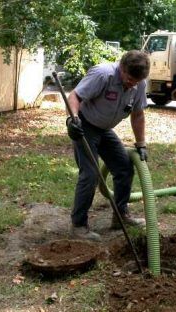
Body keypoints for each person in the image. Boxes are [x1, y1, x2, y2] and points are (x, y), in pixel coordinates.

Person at [66, 50, 150, 241]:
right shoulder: (103, 75)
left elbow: (138, 114)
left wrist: (141, 144)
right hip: (85, 126)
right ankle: (78, 225)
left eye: (136, 82)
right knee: (90, 174)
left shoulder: (139, 83)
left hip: (105, 129)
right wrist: (73, 120)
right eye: (129, 78)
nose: (132, 84)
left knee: (125, 167)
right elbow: (74, 97)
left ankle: (120, 216)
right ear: (122, 67)